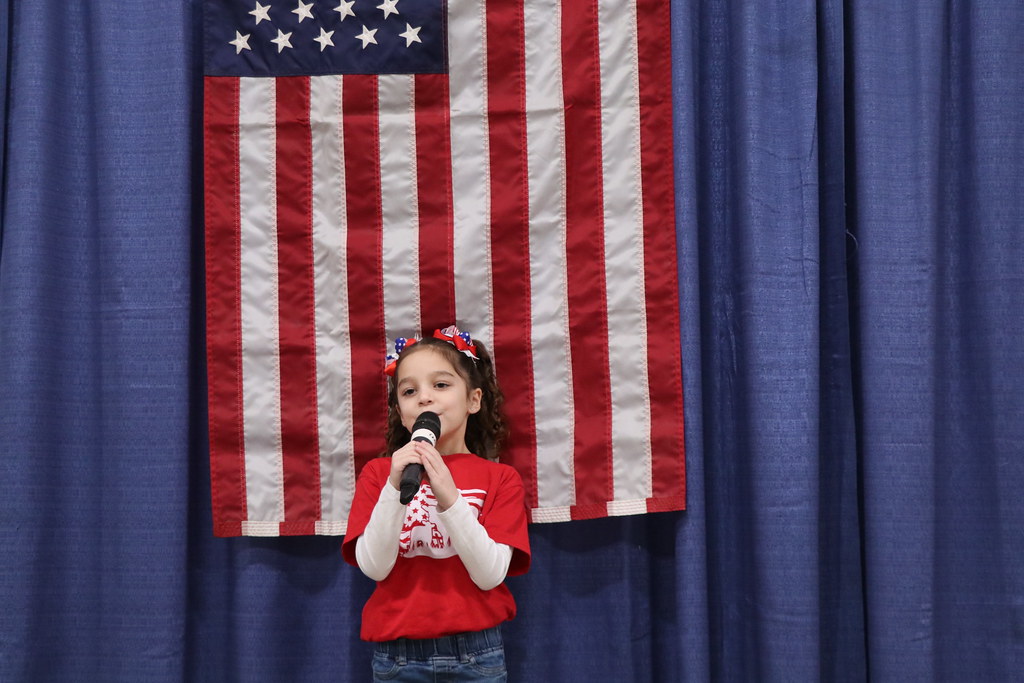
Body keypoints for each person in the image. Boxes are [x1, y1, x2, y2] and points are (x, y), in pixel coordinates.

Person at [342, 325, 531, 682]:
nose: (424, 398)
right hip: (397, 656)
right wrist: (395, 486)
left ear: (473, 400)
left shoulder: (500, 479)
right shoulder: (378, 474)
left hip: (476, 653)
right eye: (410, 390)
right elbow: (374, 567)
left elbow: (490, 574)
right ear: (399, 410)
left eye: (441, 385)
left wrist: (449, 497)